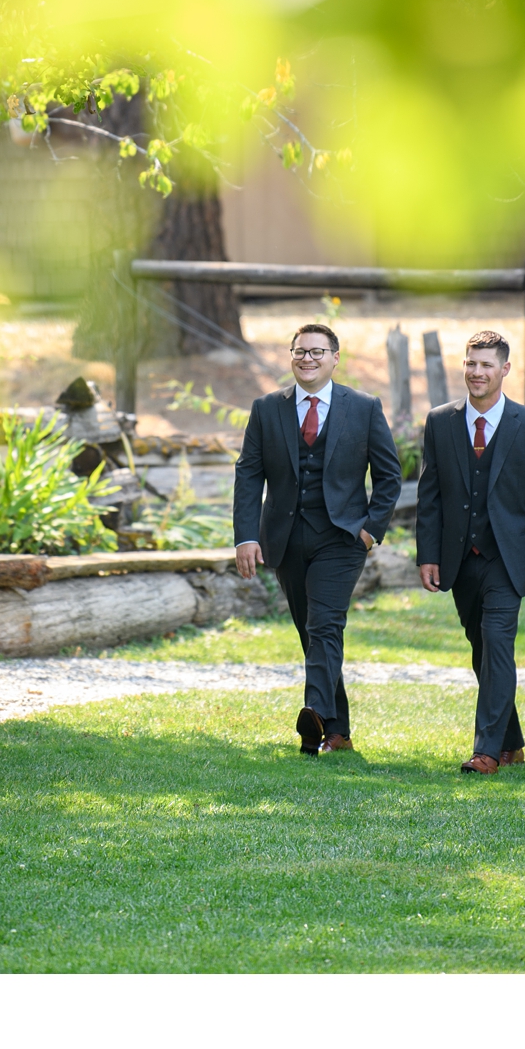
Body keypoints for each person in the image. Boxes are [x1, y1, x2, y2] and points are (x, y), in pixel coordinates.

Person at [233, 322, 403, 756]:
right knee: (313, 634)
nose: (307, 359)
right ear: (291, 357)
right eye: (299, 352)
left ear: (334, 358)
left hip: (342, 538)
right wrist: (245, 537)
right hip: (286, 539)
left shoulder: (363, 407)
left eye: (317, 352)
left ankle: (312, 718)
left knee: (325, 624)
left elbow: (388, 476)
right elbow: (249, 474)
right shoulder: (267, 408)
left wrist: (369, 530)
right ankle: (338, 730)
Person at [415, 331, 525, 775]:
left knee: (497, 643)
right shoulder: (440, 421)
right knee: (481, 649)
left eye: (487, 365)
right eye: (471, 363)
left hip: (507, 558)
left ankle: (486, 751)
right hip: (460, 557)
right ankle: (511, 741)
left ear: (505, 370)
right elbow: (431, 494)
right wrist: (428, 554)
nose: (478, 372)